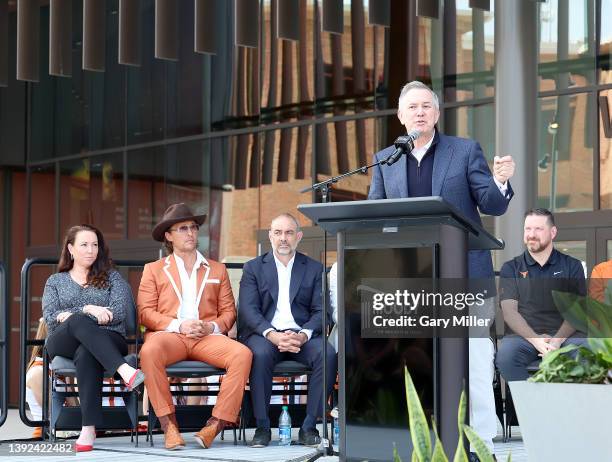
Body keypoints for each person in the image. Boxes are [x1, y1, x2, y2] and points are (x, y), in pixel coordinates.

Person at [368, 80, 515, 457]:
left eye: (426, 106)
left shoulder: (464, 151)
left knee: (476, 361)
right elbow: (372, 218)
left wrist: (500, 181)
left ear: (436, 113)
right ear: (401, 117)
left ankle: (481, 444)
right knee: (414, 362)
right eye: (412, 107)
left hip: (465, 275)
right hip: (410, 281)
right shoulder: (386, 159)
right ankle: (421, 443)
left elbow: (491, 205)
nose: (419, 112)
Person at [137, 203, 252, 450]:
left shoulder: (217, 269)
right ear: (168, 236)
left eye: (193, 227)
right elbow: (145, 313)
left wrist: (210, 327)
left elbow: (229, 312)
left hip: (206, 338)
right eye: (182, 228)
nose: (190, 233)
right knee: (148, 351)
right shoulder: (153, 270)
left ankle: (215, 425)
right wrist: (180, 325)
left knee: (242, 354)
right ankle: (169, 426)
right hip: (170, 336)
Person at [238, 213, 338, 447]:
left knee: (328, 353)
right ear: (270, 236)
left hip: (300, 335)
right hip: (266, 335)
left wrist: (303, 335)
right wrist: (272, 335)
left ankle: (309, 426)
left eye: (289, 233)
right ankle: (262, 426)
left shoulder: (314, 269)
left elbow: (320, 311)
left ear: (299, 237)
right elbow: (248, 310)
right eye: (278, 233)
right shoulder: (253, 268)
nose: (284, 238)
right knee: (259, 354)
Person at [42, 224, 144, 452]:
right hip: (62, 342)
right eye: (84, 245)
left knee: (87, 350)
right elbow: (50, 317)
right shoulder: (55, 281)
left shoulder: (112, 278)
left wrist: (73, 315)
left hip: (109, 339)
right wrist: (90, 310)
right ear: (70, 249)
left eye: (95, 245)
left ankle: (88, 428)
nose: (91, 250)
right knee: (79, 321)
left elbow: (119, 313)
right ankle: (126, 372)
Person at [497, 208, 587, 382]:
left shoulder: (572, 266)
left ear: (553, 232)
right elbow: (509, 312)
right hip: (523, 338)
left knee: (588, 351)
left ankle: (569, 405)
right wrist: (537, 341)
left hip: (566, 337)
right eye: (527, 229)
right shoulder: (511, 268)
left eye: (538, 229)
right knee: (506, 358)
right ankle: (529, 406)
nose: (531, 234)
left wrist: (556, 342)